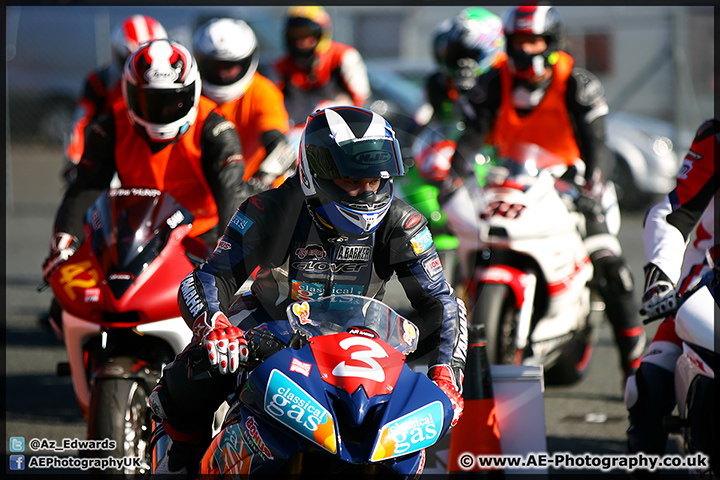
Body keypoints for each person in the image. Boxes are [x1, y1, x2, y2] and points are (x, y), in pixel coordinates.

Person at [148, 106, 469, 474]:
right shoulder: (267, 209)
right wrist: (217, 326)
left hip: (359, 336)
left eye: (375, 181)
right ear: (315, 175)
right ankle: (177, 463)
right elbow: (209, 277)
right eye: (352, 180)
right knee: (196, 372)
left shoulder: (403, 223)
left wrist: (447, 371)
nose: (367, 193)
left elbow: (441, 302)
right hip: (265, 324)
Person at [450, 3, 646, 382]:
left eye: (535, 40)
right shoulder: (493, 81)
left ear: (552, 42)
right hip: (511, 180)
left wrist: (594, 181)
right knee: (465, 250)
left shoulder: (578, 83)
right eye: (520, 40)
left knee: (613, 268)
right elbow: (471, 137)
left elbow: (598, 142)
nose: (527, 49)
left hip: (573, 185)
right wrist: (453, 176)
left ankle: (637, 370)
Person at [42, 38, 246, 302]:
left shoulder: (215, 128)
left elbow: (231, 191)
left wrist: (233, 254)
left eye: (173, 101)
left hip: (200, 240)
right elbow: (86, 187)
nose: (162, 111)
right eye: (151, 101)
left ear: (192, 92)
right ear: (129, 93)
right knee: (65, 304)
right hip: (134, 238)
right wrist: (65, 242)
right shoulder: (111, 126)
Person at [625, 118, 718, 457]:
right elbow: (673, 210)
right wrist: (661, 276)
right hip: (709, 277)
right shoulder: (715, 137)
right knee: (651, 383)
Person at [193, 17, 295, 193]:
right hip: (198, 189)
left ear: (247, 60)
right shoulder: (189, 92)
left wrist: (258, 182)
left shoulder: (263, 92)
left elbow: (280, 147)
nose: (223, 73)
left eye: (231, 65)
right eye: (215, 65)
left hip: (251, 191)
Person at [64, 14, 168, 169]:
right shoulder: (101, 80)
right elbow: (81, 122)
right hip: (113, 157)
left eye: (145, 63)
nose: (136, 70)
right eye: (130, 60)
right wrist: (75, 161)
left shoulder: (173, 82)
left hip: (160, 155)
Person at [274, 6, 371, 126]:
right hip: (297, 135)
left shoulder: (343, 57)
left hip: (341, 131)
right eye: (295, 35)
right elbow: (272, 105)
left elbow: (361, 99)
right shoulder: (281, 67)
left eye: (307, 34)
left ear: (321, 34)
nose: (301, 42)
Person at [424, 7, 506, 131]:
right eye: (455, 54)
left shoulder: (504, 76)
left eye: (468, 54)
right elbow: (442, 122)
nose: (462, 64)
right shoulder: (439, 82)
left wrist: (474, 93)